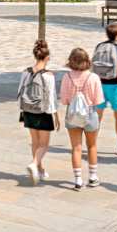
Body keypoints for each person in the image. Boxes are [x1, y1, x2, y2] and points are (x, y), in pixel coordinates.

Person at [59, 48, 104, 189]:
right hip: (90, 114)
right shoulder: (93, 77)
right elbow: (98, 100)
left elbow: (64, 100)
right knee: (92, 146)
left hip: (72, 115)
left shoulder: (67, 77)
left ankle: (78, 179)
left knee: (76, 148)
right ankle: (93, 176)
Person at [17, 40, 59, 183]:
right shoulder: (49, 75)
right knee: (44, 144)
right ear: (47, 57)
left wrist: (23, 109)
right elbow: (52, 97)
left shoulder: (25, 72)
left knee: (35, 142)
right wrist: (56, 115)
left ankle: (39, 171)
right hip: (43, 111)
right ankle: (34, 164)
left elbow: (19, 91)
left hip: (28, 110)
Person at [91, 22, 117, 155]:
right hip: (114, 86)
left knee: (97, 115)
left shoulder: (99, 46)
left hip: (99, 85)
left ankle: (92, 143)